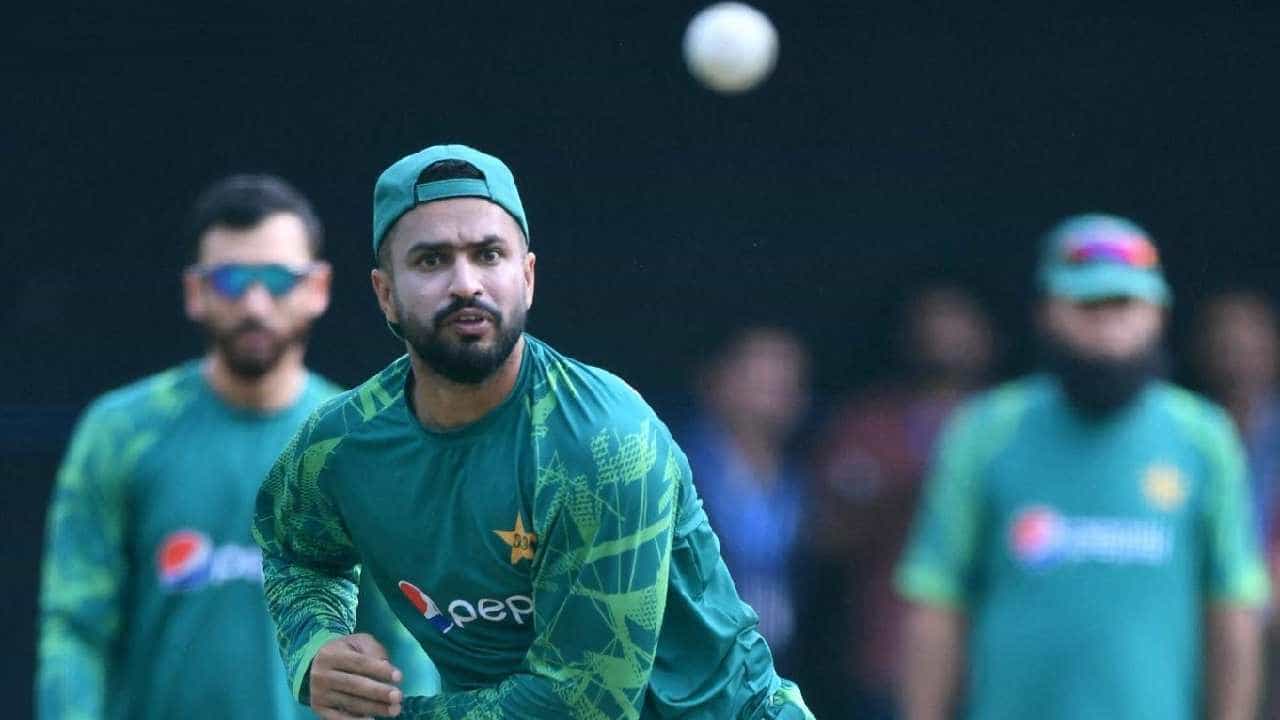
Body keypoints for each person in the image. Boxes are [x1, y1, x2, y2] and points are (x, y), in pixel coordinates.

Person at [252, 144, 814, 720]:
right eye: (431, 260)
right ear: (385, 294)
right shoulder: (340, 447)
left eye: (489, 254)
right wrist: (316, 646)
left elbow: (584, 705)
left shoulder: (604, 440)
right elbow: (296, 550)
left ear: (527, 277)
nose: (465, 284)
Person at [36, 175, 438, 720]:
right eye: (230, 280)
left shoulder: (365, 445)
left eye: (277, 279)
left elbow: (409, 640)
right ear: (195, 292)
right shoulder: (120, 433)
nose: (254, 304)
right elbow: (76, 630)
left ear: (318, 288)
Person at [896, 213, 1269, 720]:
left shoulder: (1203, 437)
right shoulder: (985, 431)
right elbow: (936, 600)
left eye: (1124, 303)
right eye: (1088, 305)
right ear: (1047, 312)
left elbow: (1233, 606)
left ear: (1158, 313)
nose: (1107, 325)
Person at [805, 285, 993, 719]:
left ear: (988, 335)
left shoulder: (1016, 424)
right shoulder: (868, 423)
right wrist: (898, 490)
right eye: (933, 321)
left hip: (993, 659)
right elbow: (824, 538)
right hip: (889, 648)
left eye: (958, 320)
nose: (945, 334)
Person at [678, 326, 810, 667]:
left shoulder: (809, 477)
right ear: (716, 383)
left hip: (784, 665)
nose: (771, 398)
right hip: (700, 666)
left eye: (786, 384)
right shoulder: (678, 472)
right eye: (759, 383)